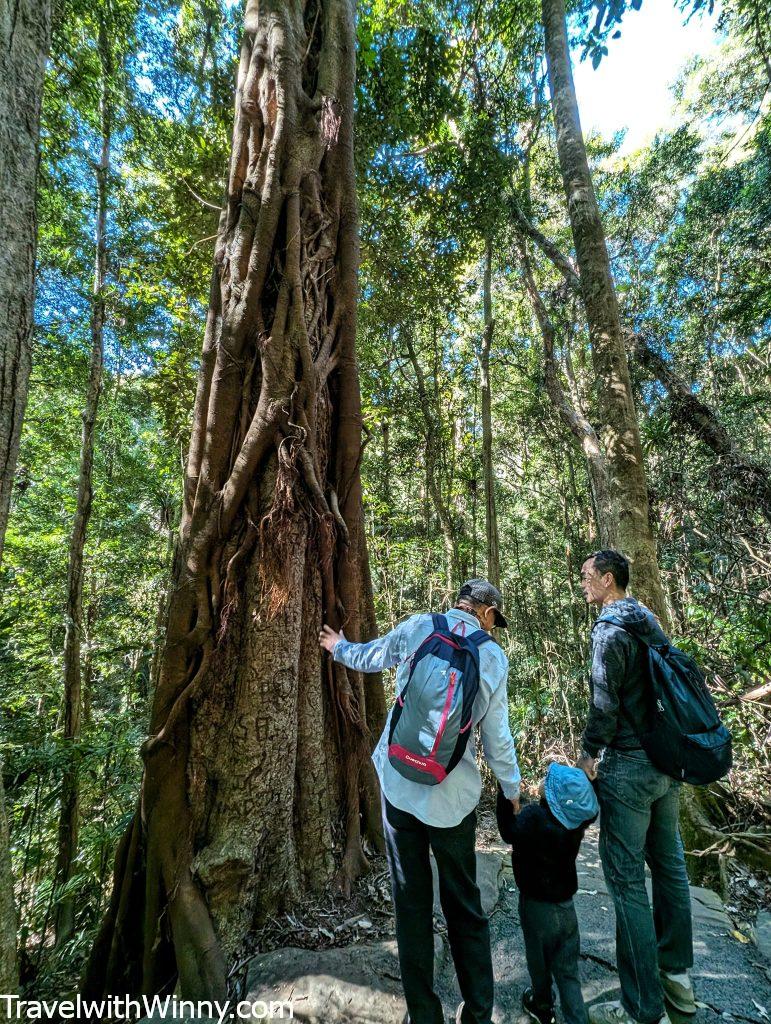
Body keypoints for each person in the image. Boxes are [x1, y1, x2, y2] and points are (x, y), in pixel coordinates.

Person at [319, 579, 521, 1024]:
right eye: (496, 620)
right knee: (464, 907)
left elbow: (371, 656)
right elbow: (498, 740)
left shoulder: (419, 627)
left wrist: (338, 646)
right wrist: (512, 791)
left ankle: (424, 1014)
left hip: (399, 788)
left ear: (459, 603)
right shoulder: (490, 656)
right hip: (451, 801)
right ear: (486, 613)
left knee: (410, 904)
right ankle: (478, 1014)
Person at [576, 550, 695, 1024]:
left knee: (626, 883)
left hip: (627, 767)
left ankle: (644, 1009)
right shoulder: (647, 619)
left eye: (587, 577)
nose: (582, 583)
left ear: (608, 580)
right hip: (666, 763)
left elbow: (604, 703)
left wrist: (588, 752)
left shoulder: (609, 630)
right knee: (670, 867)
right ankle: (678, 984)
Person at [497, 763, 598, 1024]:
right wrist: (591, 784)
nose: (543, 781)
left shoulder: (533, 818)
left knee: (538, 961)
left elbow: (508, 832)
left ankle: (542, 1004)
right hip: (566, 910)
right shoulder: (575, 825)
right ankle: (577, 1018)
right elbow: (587, 810)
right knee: (568, 971)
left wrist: (504, 792)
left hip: (536, 908)